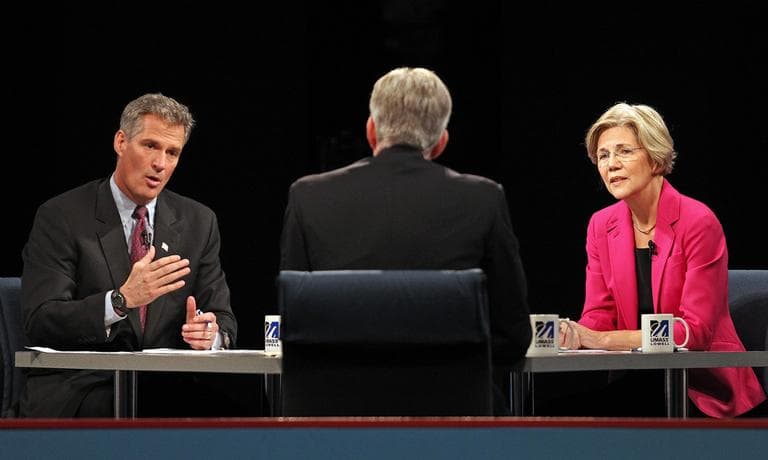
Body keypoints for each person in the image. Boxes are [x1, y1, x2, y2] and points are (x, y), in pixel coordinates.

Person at [279, 67, 531, 414]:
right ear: (441, 141)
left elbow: (295, 324)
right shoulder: (484, 198)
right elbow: (514, 336)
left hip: (335, 419)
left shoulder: (308, 196)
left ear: (371, 130)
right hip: (456, 416)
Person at [20, 93, 237, 417]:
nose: (160, 164)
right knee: (141, 409)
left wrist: (210, 334)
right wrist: (119, 301)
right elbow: (41, 319)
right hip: (82, 386)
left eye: (172, 152)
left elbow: (223, 318)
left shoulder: (198, 222)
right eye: (150, 146)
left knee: (243, 415)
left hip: (165, 385)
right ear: (121, 141)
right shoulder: (62, 216)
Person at [560, 102, 766, 417]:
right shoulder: (601, 225)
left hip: (703, 389)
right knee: (553, 417)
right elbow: (598, 316)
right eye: (603, 155)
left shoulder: (698, 221)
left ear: (655, 157)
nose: (612, 164)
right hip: (640, 380)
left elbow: (692, 333)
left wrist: (599, 338)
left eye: (624, 151)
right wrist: (574, 333)